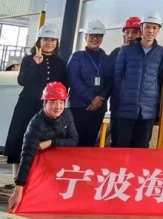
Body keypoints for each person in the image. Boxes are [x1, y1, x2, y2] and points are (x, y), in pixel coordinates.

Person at [5, 23, 67, 174]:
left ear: (57, 42)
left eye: (52, 39)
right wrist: (35, 63)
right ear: (39, 41)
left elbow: (64, 86)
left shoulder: (60, 63)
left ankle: (38, 178)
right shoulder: (28, 59)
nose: (49, 42)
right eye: (45, 39)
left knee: (44, 142)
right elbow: (22, 81)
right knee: (21, 139)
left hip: (48, 110)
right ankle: (17, 178)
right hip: (27, 106)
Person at [8, 82, 77, 212]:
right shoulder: (35, 125)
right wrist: (18, 188)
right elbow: (27, 156)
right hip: (42, 167)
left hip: (63, 165)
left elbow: (74, 140)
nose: (58, 107)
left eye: (61, 102)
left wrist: (51, 142)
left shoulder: (67, 114)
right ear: (45, 103)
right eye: (53, 102)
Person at [113, 11, 163, 148]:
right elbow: (117, 77)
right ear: (141, 28)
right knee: (121, 147)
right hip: (126, 109)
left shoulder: (162, 53)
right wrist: (122, 99)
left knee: (142, 148)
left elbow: (160, 79)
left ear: (159, 30)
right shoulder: (126, 51)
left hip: (148, 111)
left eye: (154, 28)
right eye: (147, 27)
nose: (151, 31)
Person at [67, 19, 110, 147]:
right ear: (86, 36)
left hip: (98, 109)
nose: (95, 39)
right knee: (74, 142)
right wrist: (91, 98)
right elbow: (73, 79)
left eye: (99, 36)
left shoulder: (106, 58)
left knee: (90, 143)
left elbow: (110, 81)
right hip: (78, 107)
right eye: (92, 35)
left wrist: (101, 98)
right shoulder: (77, 57)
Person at [107, 16, 141, 146]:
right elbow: (109, 78)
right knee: (118, 141)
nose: (130, 35)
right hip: (118, 106)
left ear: (141, 33)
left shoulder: (146, 54)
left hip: (139, 109)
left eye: (135, 32)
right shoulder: (116, 53)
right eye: (128, 32)